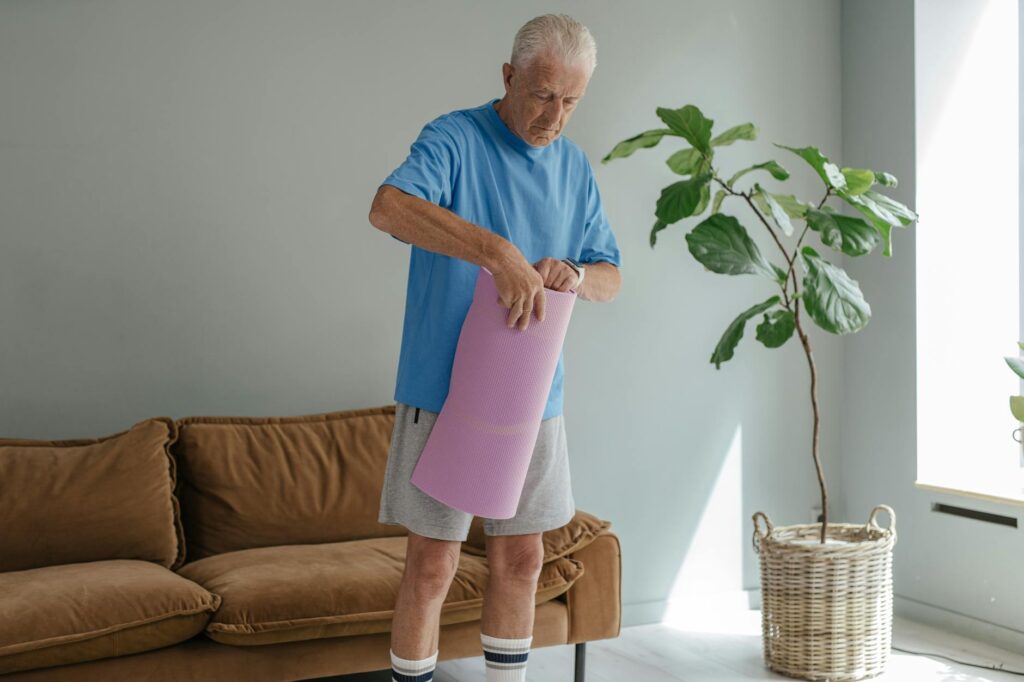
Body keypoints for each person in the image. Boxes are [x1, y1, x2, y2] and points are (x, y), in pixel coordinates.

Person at [368, 13, 622, 682]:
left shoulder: (573, 168)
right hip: (442, 390)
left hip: (534, 398)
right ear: (508, 77)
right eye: (542, 94)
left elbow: (611, 276)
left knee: (523, 561)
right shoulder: (454, 138)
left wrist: (578, 276)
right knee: (432, 567)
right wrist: (496, 252)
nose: (555, 115)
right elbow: (388, 207)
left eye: (571, 100)